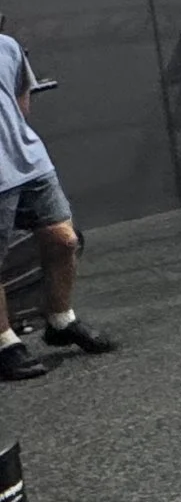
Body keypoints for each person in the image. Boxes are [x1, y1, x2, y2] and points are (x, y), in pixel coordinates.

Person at [0, 30, 111, 380]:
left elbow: (21, 98)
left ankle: (60, 321)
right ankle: (5, 342)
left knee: (64, 240)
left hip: (29, 162)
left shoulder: (8, 45)